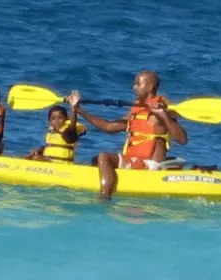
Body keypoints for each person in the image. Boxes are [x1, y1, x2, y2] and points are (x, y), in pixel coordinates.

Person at [73, 71, 188, 200]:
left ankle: (104, 197)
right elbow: (109, 127)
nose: (134, 87)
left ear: (150, 87)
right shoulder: (137, 110)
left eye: (138, 84)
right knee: (96, 160)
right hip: (133, 160)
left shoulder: (165, 107)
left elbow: (182, 139)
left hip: (149, 164)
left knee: (103, 157)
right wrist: (79, 110)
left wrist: (164, 115)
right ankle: (109, 183)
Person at [26, 91, 87, 163]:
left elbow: (72, 126)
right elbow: (50, 147)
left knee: (35, 158)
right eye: (53, 118)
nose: (57, 121)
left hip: (61, 166)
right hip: (49, 162)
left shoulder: (68, 132)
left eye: (60, 118)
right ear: (49, 121)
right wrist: (40, 150)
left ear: (66, 119)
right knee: (30, 156)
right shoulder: (51, 131)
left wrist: (74, 107)